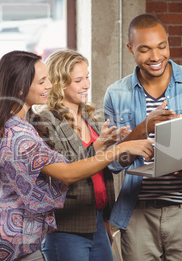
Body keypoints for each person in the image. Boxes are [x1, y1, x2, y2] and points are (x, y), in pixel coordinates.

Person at [0, 50, 153, 261]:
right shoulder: (19, 133)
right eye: (42, 81)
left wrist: (107, 146)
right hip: (18, 243)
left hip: (26, 239)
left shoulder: (23, 125)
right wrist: (120, 149)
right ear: (20, 88)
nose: (49, 85)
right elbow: (67, 173)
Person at [103, 14, 182, 261]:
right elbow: (113, 163)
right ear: (130, 49)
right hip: (137, 213)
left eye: (162, 46)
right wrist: (144, 128)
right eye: (145, 49)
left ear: (168, 41)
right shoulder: (116, 94)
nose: (156, 57)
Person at [29, 49, 130, 261]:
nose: (86, 84)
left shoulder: (89, 117)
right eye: (78, 80)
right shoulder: (46, 121)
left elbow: (101, 170)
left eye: (87, 77)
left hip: (98, 220)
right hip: (67, 227)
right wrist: (99, 148)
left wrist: (114, 142)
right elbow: (65, 171)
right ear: (60, 82)